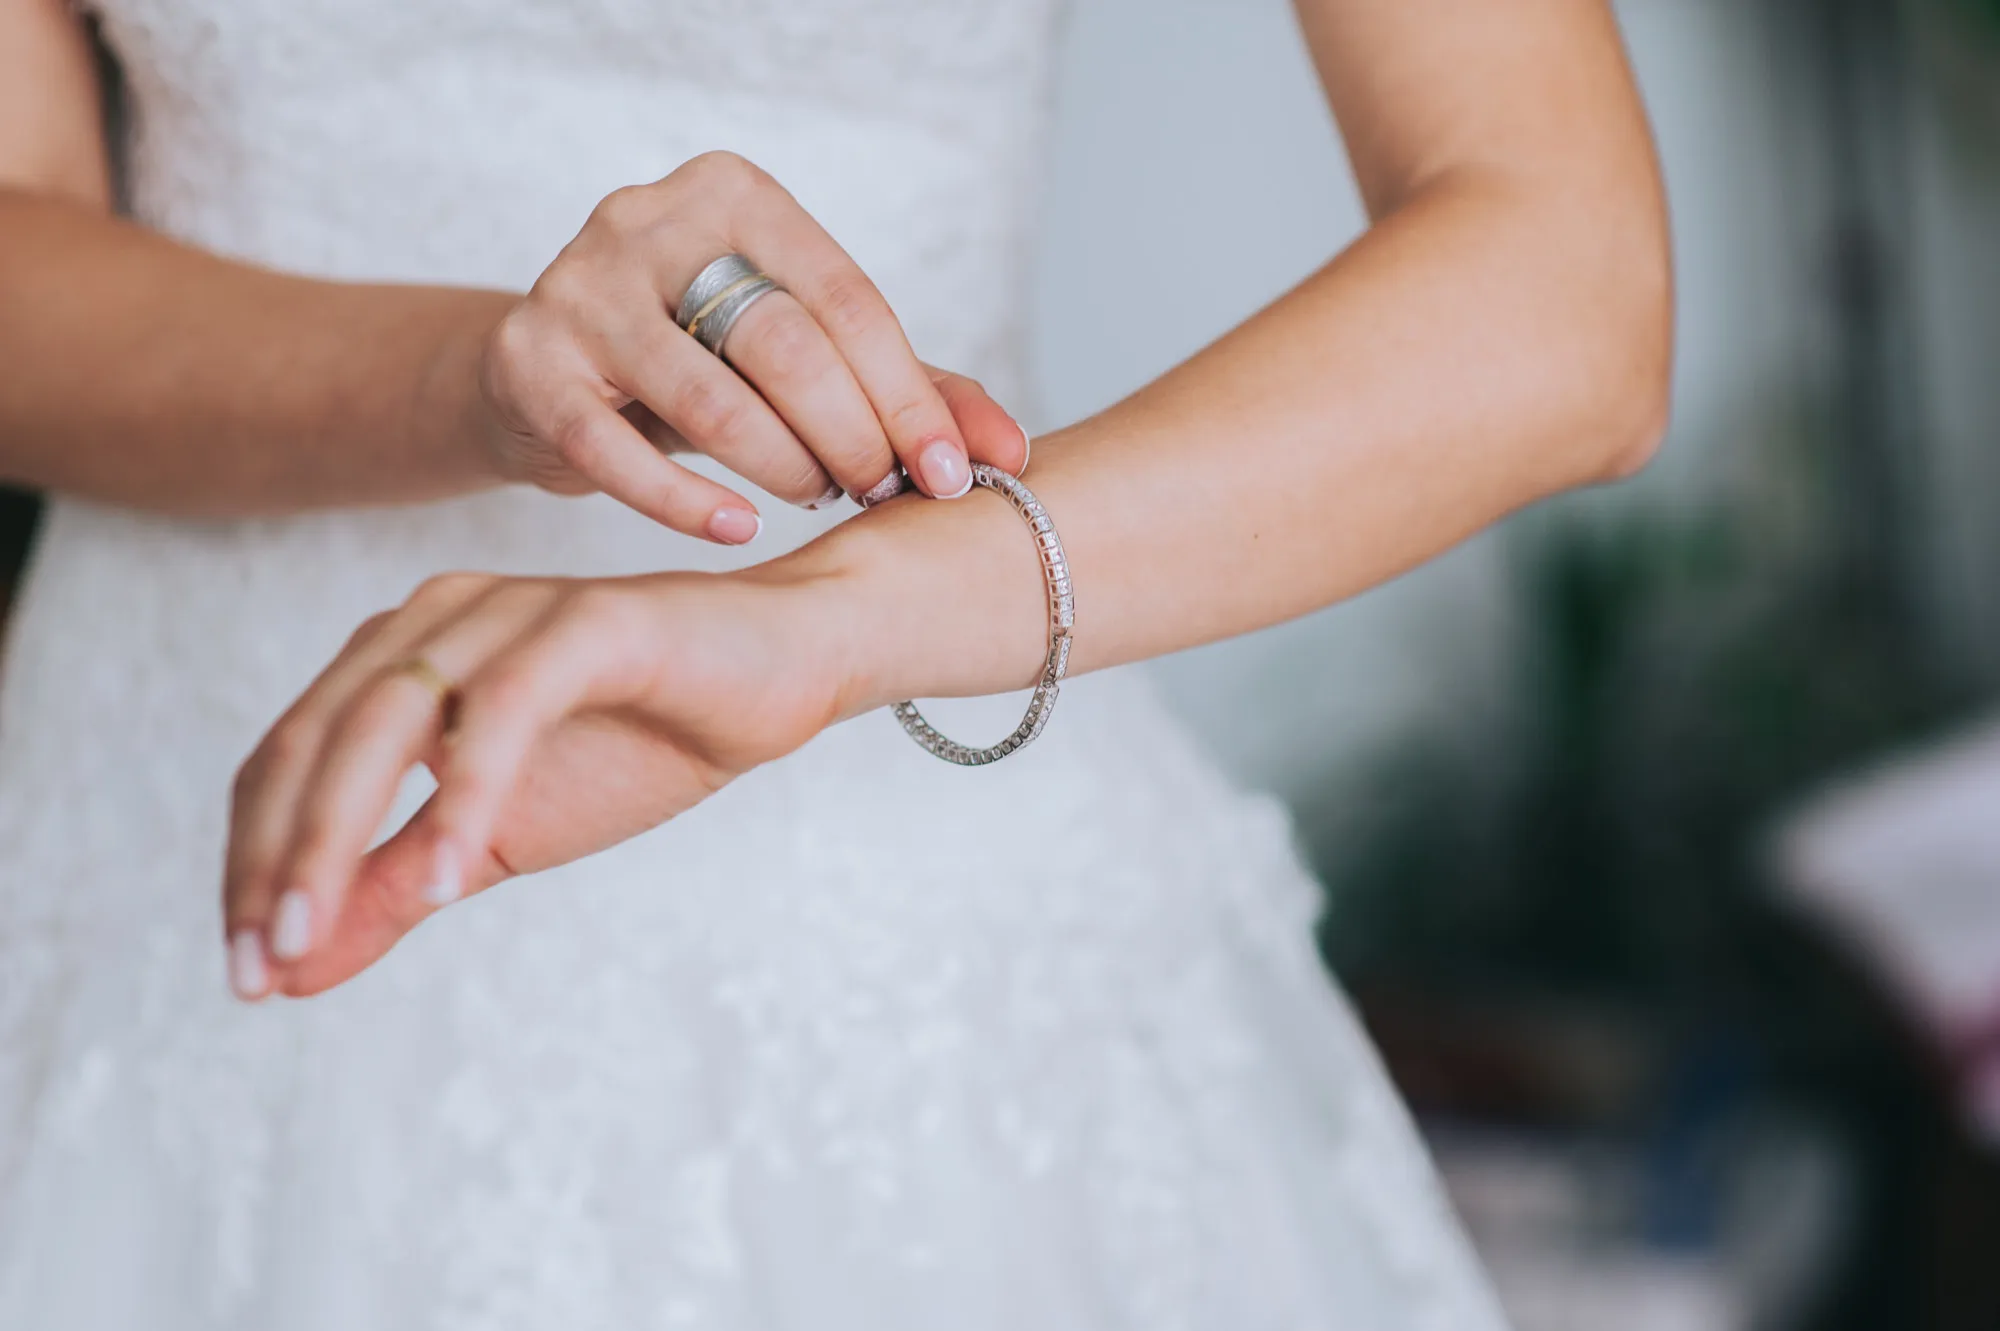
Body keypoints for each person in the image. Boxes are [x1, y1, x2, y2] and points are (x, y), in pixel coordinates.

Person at [0, 0, 1670, 1326]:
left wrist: (831, 619)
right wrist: (489, 378)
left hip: (919, 886)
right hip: (177, 842)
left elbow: (1564, 287)